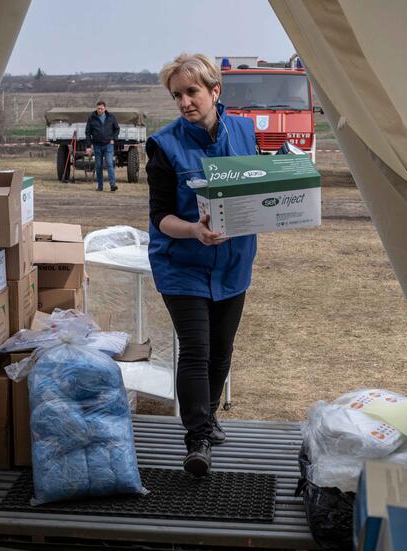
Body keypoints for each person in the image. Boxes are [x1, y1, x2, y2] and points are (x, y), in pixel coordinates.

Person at [146, 53, 257, 477]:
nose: (184, 102)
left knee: (222, 350)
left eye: (191, 92)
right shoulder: (164, 145)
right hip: (182, 263)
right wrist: (195, 230)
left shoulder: (245, 132)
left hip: (233, 263)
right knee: (196, 349)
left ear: (215, 90)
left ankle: (208, 416)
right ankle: (197, 441)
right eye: (177, 95)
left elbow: (260, 189)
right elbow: (160, 217)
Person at [85, 100, 120, 191]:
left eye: (101, 109)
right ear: (96, 108)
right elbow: (88, 133)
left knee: (109, 163)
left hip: (108, 144)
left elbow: (117, 129)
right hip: (97, 145)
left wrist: (113, 138)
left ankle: (113, 185)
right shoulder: (91, 118)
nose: (99, 110)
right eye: (98, 108)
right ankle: (100, 186)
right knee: (98, 166)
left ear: (105, 109)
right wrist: (88, 146)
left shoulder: (111, 117)